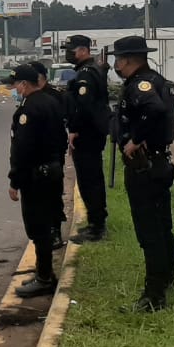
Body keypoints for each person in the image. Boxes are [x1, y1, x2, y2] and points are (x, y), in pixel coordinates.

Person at [108, 35, 174, 313]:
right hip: (158, 163)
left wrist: (135, 139)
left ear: (126, 60)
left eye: (117, 60)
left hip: (144, 167)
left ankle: (154, 295)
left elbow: (154, 110)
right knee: (162, 227)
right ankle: (166, 279)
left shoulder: (141, 84)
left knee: (150, 231)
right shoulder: (157, 80)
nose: (116, 65)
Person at [6, 64, 69, 298]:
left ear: (24, 84)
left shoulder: (29, 109)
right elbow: (61, 139)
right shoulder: (51, 101)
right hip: (52, 169)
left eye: (16, 85)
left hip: (36, 176)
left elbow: (23, 150)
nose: (15, 89)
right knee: (46, 222)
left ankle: (44, 278)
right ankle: (44, 273)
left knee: (37, 227)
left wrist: (15, 180)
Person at [64, 35, 111, 243]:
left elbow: (83, 106)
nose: (69, 53)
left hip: (87, 133)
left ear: (83, 50)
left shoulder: (86, 74)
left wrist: (73, 129)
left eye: (71, 49)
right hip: (93, 132)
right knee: (92, 178)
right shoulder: (92, 70)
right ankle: (95, 221)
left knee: (89, 179)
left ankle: (96, 227)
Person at [27, 61, 69, 246]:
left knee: (52, 193)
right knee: (39, 198)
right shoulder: (32, 97)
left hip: (51, 155)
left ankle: (54, 231)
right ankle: (43, 233)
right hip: (37, 156)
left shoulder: (54, 97)